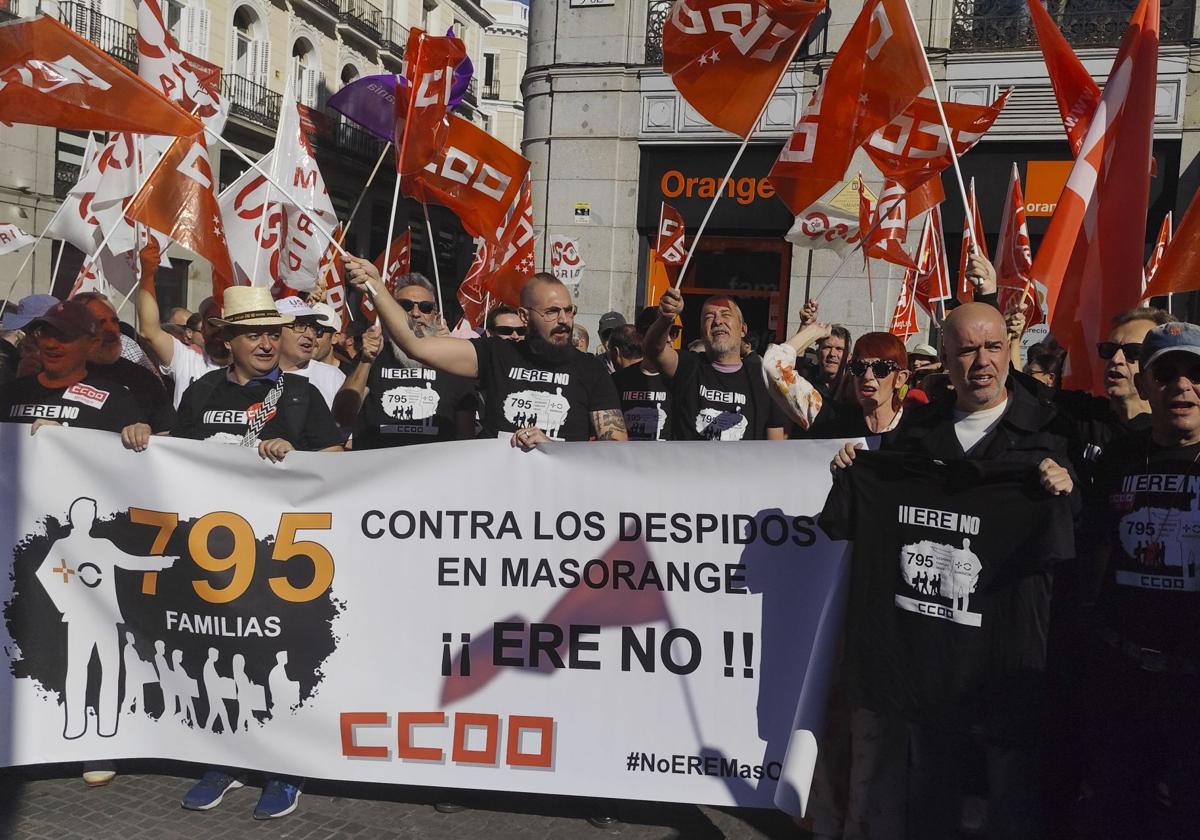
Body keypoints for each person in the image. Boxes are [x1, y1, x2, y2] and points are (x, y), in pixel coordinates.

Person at [829, 301, 1074, 840]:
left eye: (992, 347)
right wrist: (852, 470)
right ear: (944, 358)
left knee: (1009, 800)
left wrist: (1066, 491)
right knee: (931, 797)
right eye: (966, 349)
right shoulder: (916, 436)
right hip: (928, 663)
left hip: (1005, 660)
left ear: (1009, 352)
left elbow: (1072, 544)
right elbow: (860, 515)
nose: (981, 361)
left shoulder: (1051, 437)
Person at [1080, 321, 1200, 838]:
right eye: (1167, 374)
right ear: (1146, 384)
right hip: (1122, 681)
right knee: (1117, 813)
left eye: (1197, 374)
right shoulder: (1117, 458)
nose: (1182, 386)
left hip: (1194, 688)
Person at [343, 260, 626, 446]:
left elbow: (616, 447)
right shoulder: (496, 353)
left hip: (559, 505)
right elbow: (416, 346)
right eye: (551, 311)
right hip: (495, 504)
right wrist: (375, 286)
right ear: (524, 316)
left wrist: (554, 449)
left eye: (568, 310)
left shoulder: (590, 369)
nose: (563, 320)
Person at [341, 274, 476, 448]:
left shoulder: (453, 362)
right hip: (378, 468)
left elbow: (466, 438)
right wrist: (366, 361)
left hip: (434, 470)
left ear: (436, 315)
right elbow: (343, 415)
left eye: (426, 307)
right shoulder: (374, 354)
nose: (416, 313)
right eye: (405, 306)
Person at [645, 287, 786, 441]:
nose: (718, 321)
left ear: (743, 330)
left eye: (726, 314)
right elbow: (654, 350)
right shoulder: (688, 366)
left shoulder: (763, 379)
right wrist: (666, 319)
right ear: (701, 332)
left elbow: (774, 446)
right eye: (708, 317)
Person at [0, 301, 147, 436]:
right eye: (45, 334)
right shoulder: (9, 393)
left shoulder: (116, 400)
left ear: (92, 343)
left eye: (63, 336)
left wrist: (141, 435)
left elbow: (127, 460)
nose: (51, 344)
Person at [135, 244, 225, 408]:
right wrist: (147, 275)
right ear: (203, 328)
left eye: (226, 323)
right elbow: (149, 331)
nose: (220, 329)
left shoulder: (253, 370)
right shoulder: (187, 360)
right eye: (213, 322)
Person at [74, 292, 174, 434]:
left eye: (114, 321)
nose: (111, 329)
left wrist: (147, 434)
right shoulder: (53, 375)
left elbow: (167, 436)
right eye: (100, 322)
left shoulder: (143, 379)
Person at [274, 296, 346, 409]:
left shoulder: (333, 377)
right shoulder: (255, 375)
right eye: (299, 325)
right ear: (275, 330)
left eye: (314, 327)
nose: (311, 335)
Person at [612, 315, 671, 441]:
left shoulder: (682, 379)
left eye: (674, 332)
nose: (669, 338)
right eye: (660, 332)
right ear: (640, 337)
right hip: (628, 457)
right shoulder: (618, 380)